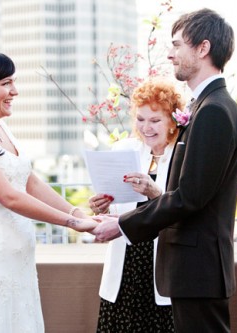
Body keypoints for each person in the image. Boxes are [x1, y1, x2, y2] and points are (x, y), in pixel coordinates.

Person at [93, 8, 237, 333]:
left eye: (177, 45)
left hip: (198, 269)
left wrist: (121, 225)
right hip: (195, 270)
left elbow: (190, 196)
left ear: (202, 48)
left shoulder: (214, 111)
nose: (170, 53)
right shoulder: (204, 107)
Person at [0, 47, 98, 333]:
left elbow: (30, 182)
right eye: (6, 83)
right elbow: (8, 196)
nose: (15, 91)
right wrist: (74, 224)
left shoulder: (3, 130)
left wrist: (77, 211)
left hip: (18, 258)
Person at [89, 79, 183, 332]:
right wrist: (102, 207)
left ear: (172, 121)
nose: (146, 127)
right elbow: (116, 209)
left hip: (162, 264)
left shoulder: (181, 155)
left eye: (155, 120)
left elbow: (184, 207)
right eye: (141, 119)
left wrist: (155, 193)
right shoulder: (124, 149)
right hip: (125, 265)